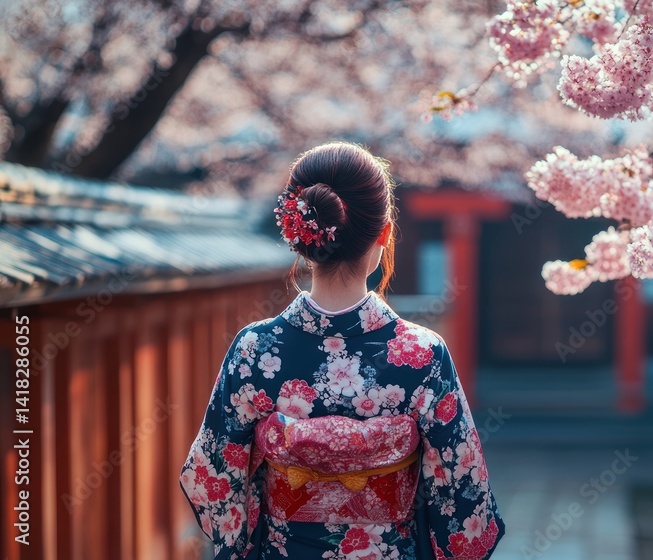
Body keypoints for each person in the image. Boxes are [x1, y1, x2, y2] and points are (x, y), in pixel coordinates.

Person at [179, 142, 505, 559]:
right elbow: (464, 500)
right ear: (384, 234)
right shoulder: (422, 354)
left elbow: (212, 481)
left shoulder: (255, 350)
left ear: (298, 236)